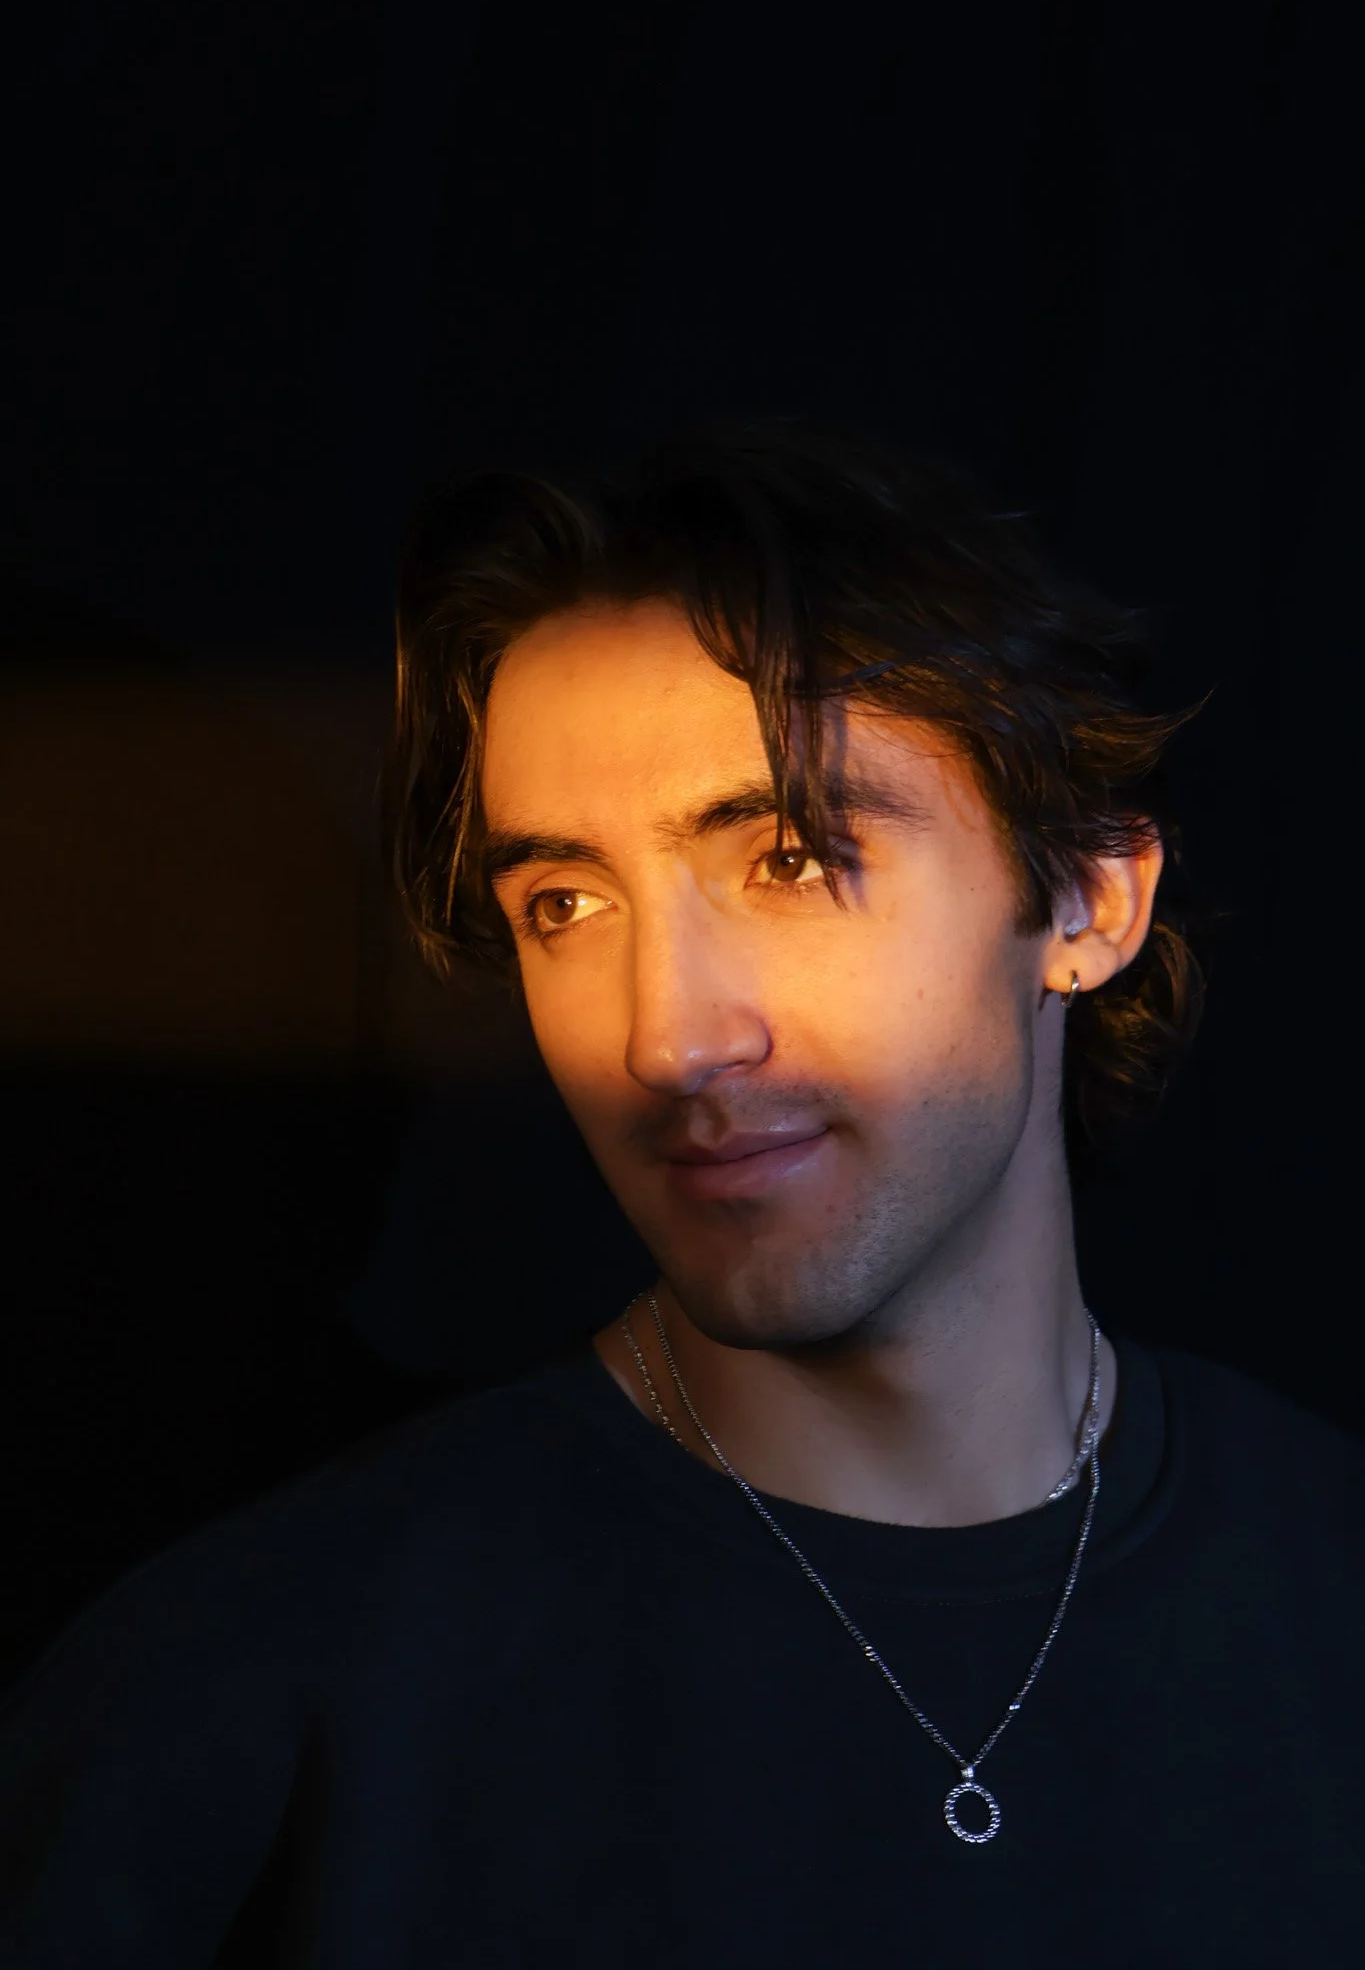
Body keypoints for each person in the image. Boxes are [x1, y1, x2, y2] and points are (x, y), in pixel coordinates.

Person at [1, 419, 1360, 1965]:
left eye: (787, 857)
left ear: (1087, 899)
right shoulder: (240, 1700)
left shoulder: (1329, 1598)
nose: (665, 1036)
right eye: (564, 901)